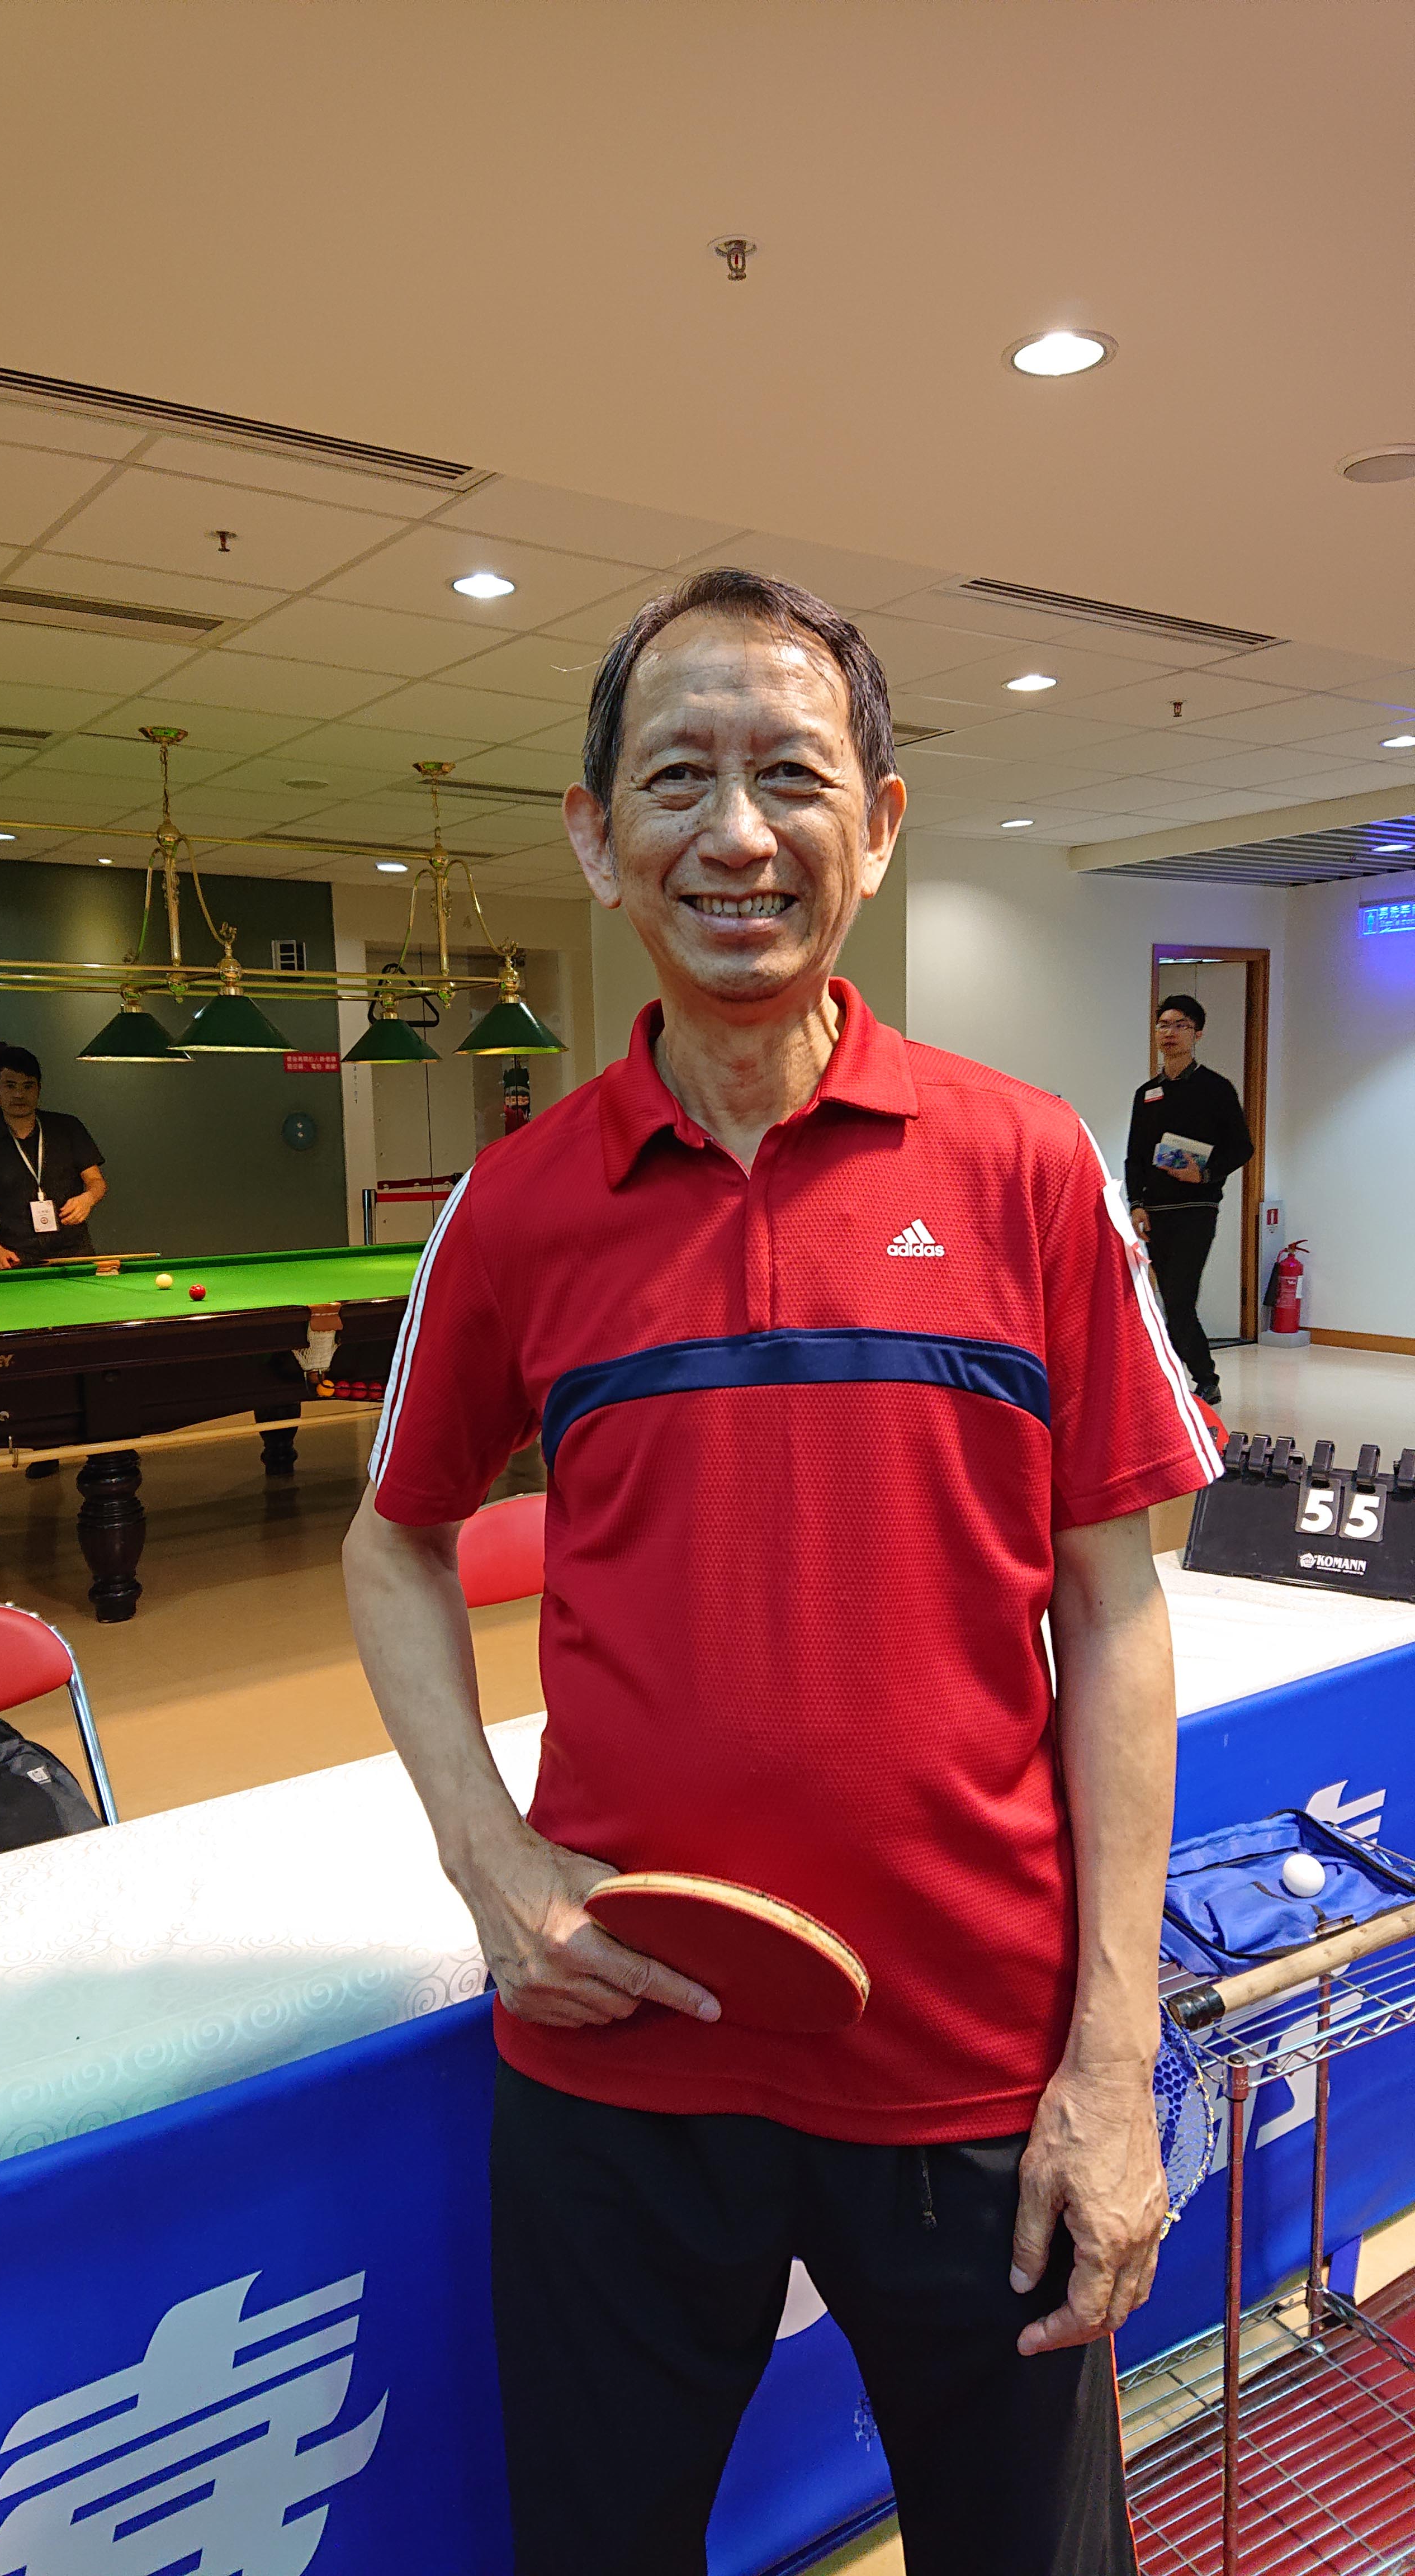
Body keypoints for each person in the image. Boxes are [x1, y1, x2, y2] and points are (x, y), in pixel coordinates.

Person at [343, 569, 1222, 2576]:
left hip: (969, 2063)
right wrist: (491, 1861)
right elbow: (392, 1541)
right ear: (597, 836)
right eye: (679, 778)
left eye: (791, 775)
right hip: (619, 2057)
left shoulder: (1023, 1164)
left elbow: (1114, 1613)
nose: (736, 833)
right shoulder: (518, 1204)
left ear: (878, 824)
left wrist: (1110, 2060)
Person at [1124, 995, 1253, 1409]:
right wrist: (1136, 1205)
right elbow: (1135, 1156)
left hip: (1196, 1209)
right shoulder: (1147, 1093)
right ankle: (1185, 1378)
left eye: (1180, 1025)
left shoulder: (1216, 1088)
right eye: (1163, 1025)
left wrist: (1206, 1173)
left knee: (1179, 1299)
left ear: (1197, 1034)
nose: (1170, 1033)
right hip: (1155, 1212)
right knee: (1168, 1301)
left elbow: (1242, 1147)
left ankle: (1203, 1378)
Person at [0, 1046, 107, 1271]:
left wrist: (88, 1199)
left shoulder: (68, 1128)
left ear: (38, 1089)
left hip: (75, 1252)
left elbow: (96, 1182)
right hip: (15, 1255)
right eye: (10, 1086)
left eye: (28, 1086)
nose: (19, 1095)